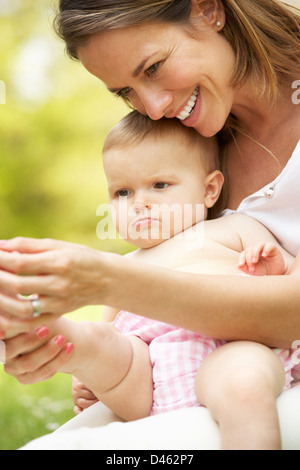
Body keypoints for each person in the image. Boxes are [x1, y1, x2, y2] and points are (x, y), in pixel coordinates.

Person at [0, 0, 300, 450]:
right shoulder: (194, 142)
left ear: (208, 10)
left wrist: (107, 279)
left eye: (154, 67)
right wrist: (93, 367)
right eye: (125, 91)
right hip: (161, 375)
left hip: (249, 365)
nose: (154, 108)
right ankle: (50, 335)